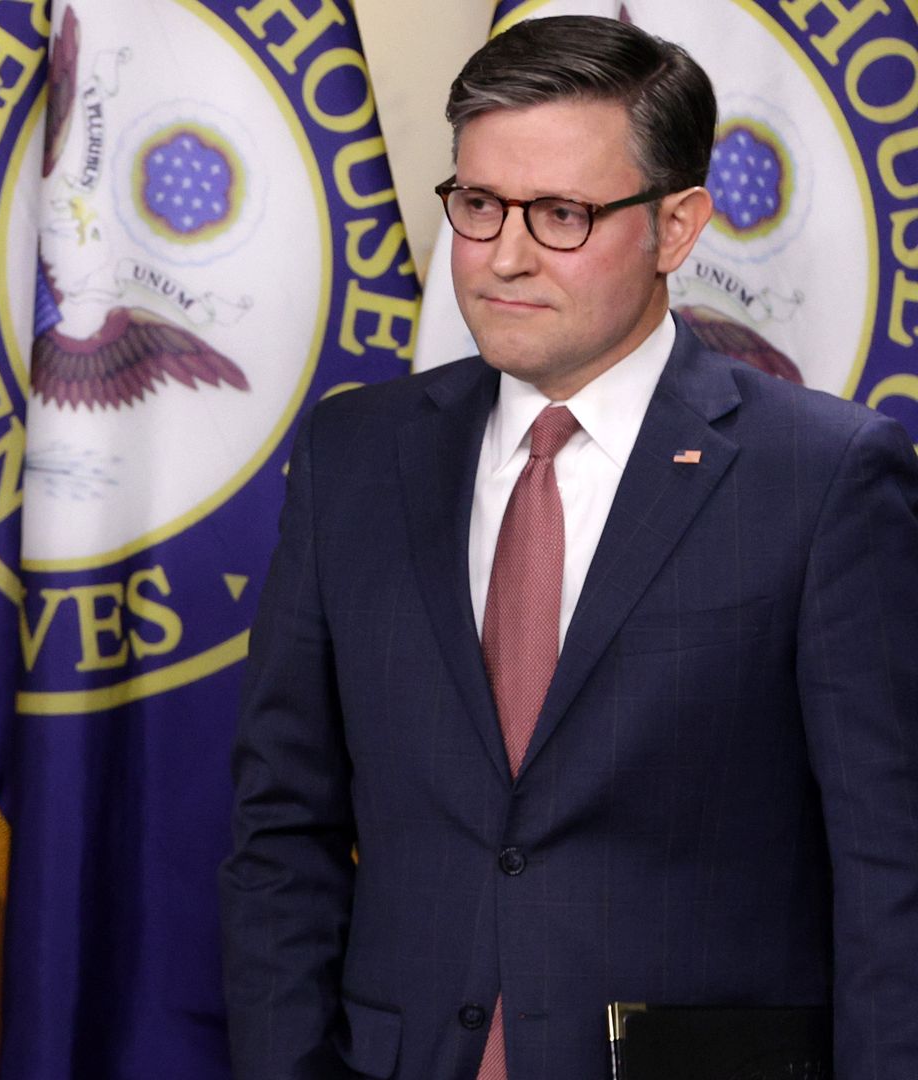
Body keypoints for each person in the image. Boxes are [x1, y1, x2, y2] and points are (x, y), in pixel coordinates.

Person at [221, 15, 918, 1080]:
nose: (502, 256)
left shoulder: (822, 479)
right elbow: (282, 827)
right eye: (479, 204)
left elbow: (890, 870)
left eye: (560, 215)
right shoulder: (355, 456)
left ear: (676, 227)